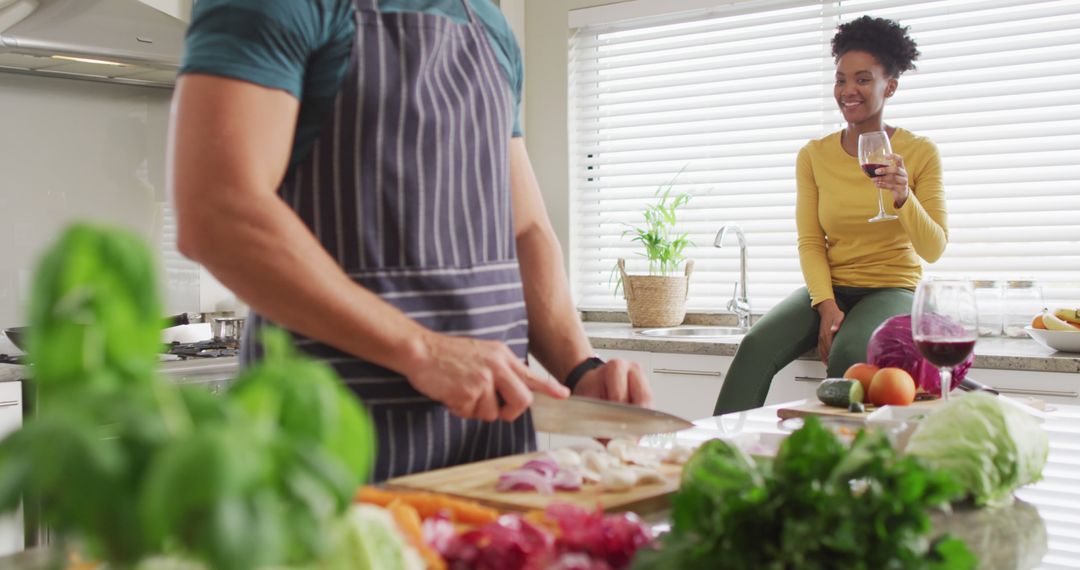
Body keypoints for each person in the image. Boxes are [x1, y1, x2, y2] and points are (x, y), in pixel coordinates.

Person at [168, 0, 651, 481]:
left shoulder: (489, 25)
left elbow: (525, 229)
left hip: (490, 454)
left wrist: (580, 370)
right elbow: (218, 209)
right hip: (328, 456)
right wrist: (422, 351)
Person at [713, 16, 947, 415]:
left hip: (891, 288)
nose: (848, 91)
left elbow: (934, 249)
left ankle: (832, 471)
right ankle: (716, 463)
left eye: (862, 79)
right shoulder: (814, 155)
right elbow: (810, 241)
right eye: (841, 80)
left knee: (850, 356)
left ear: (890, 86)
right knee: (754, 346)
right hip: (832, 286)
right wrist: (825, 304)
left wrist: (904, 197)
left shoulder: (921, 152)